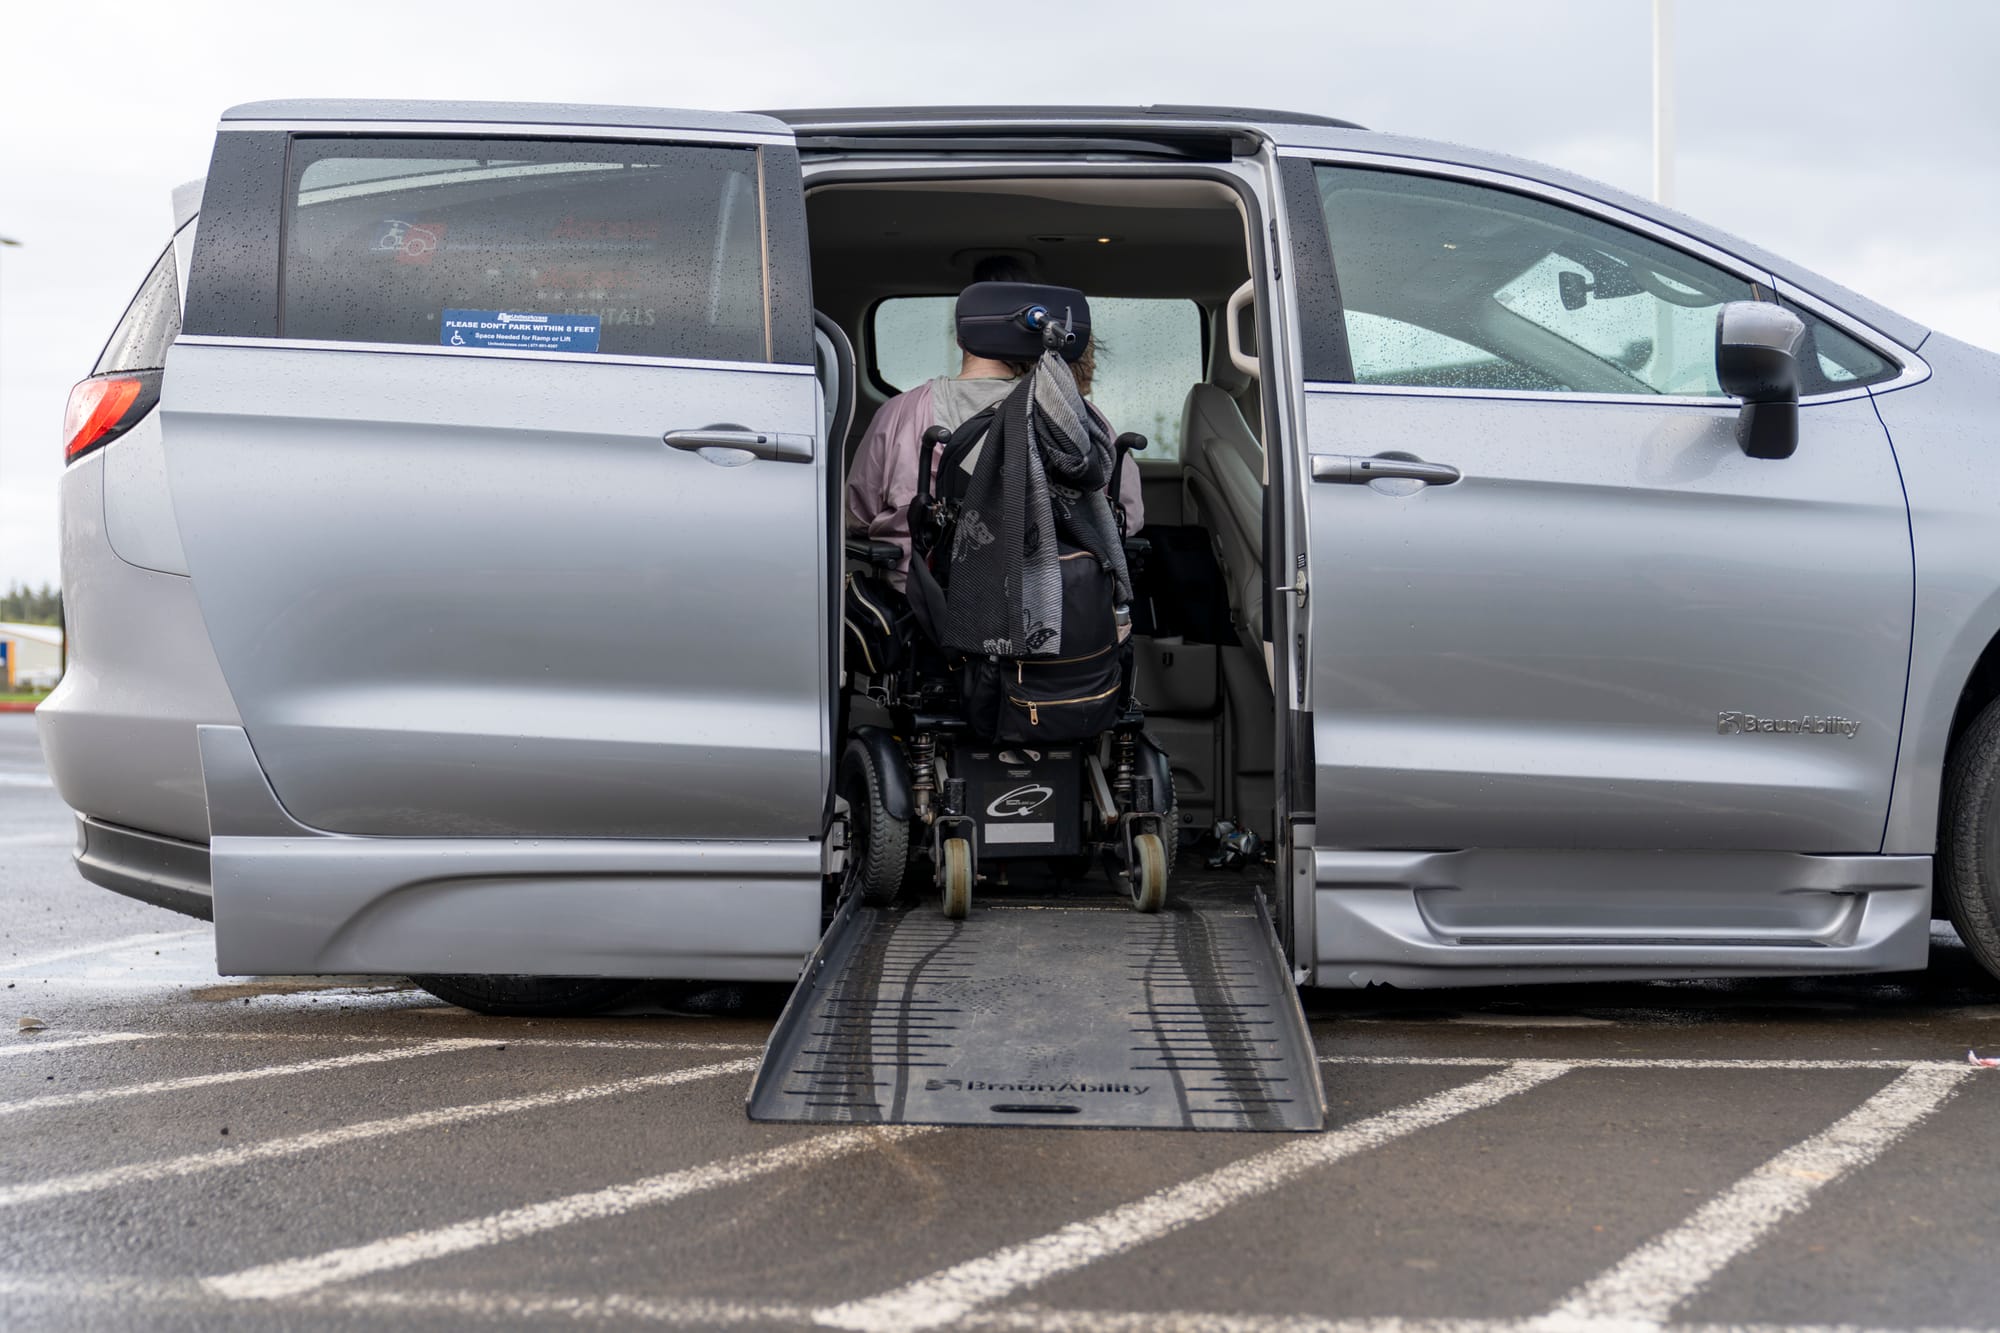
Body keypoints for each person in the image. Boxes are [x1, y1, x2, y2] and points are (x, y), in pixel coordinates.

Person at [846, 263, 1143, 589]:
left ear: (961, 338)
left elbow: (856, 518)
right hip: (1054, 611)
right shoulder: (1080, 418)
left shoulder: (901, 412)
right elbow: (1126, 517)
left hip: (924, 611)